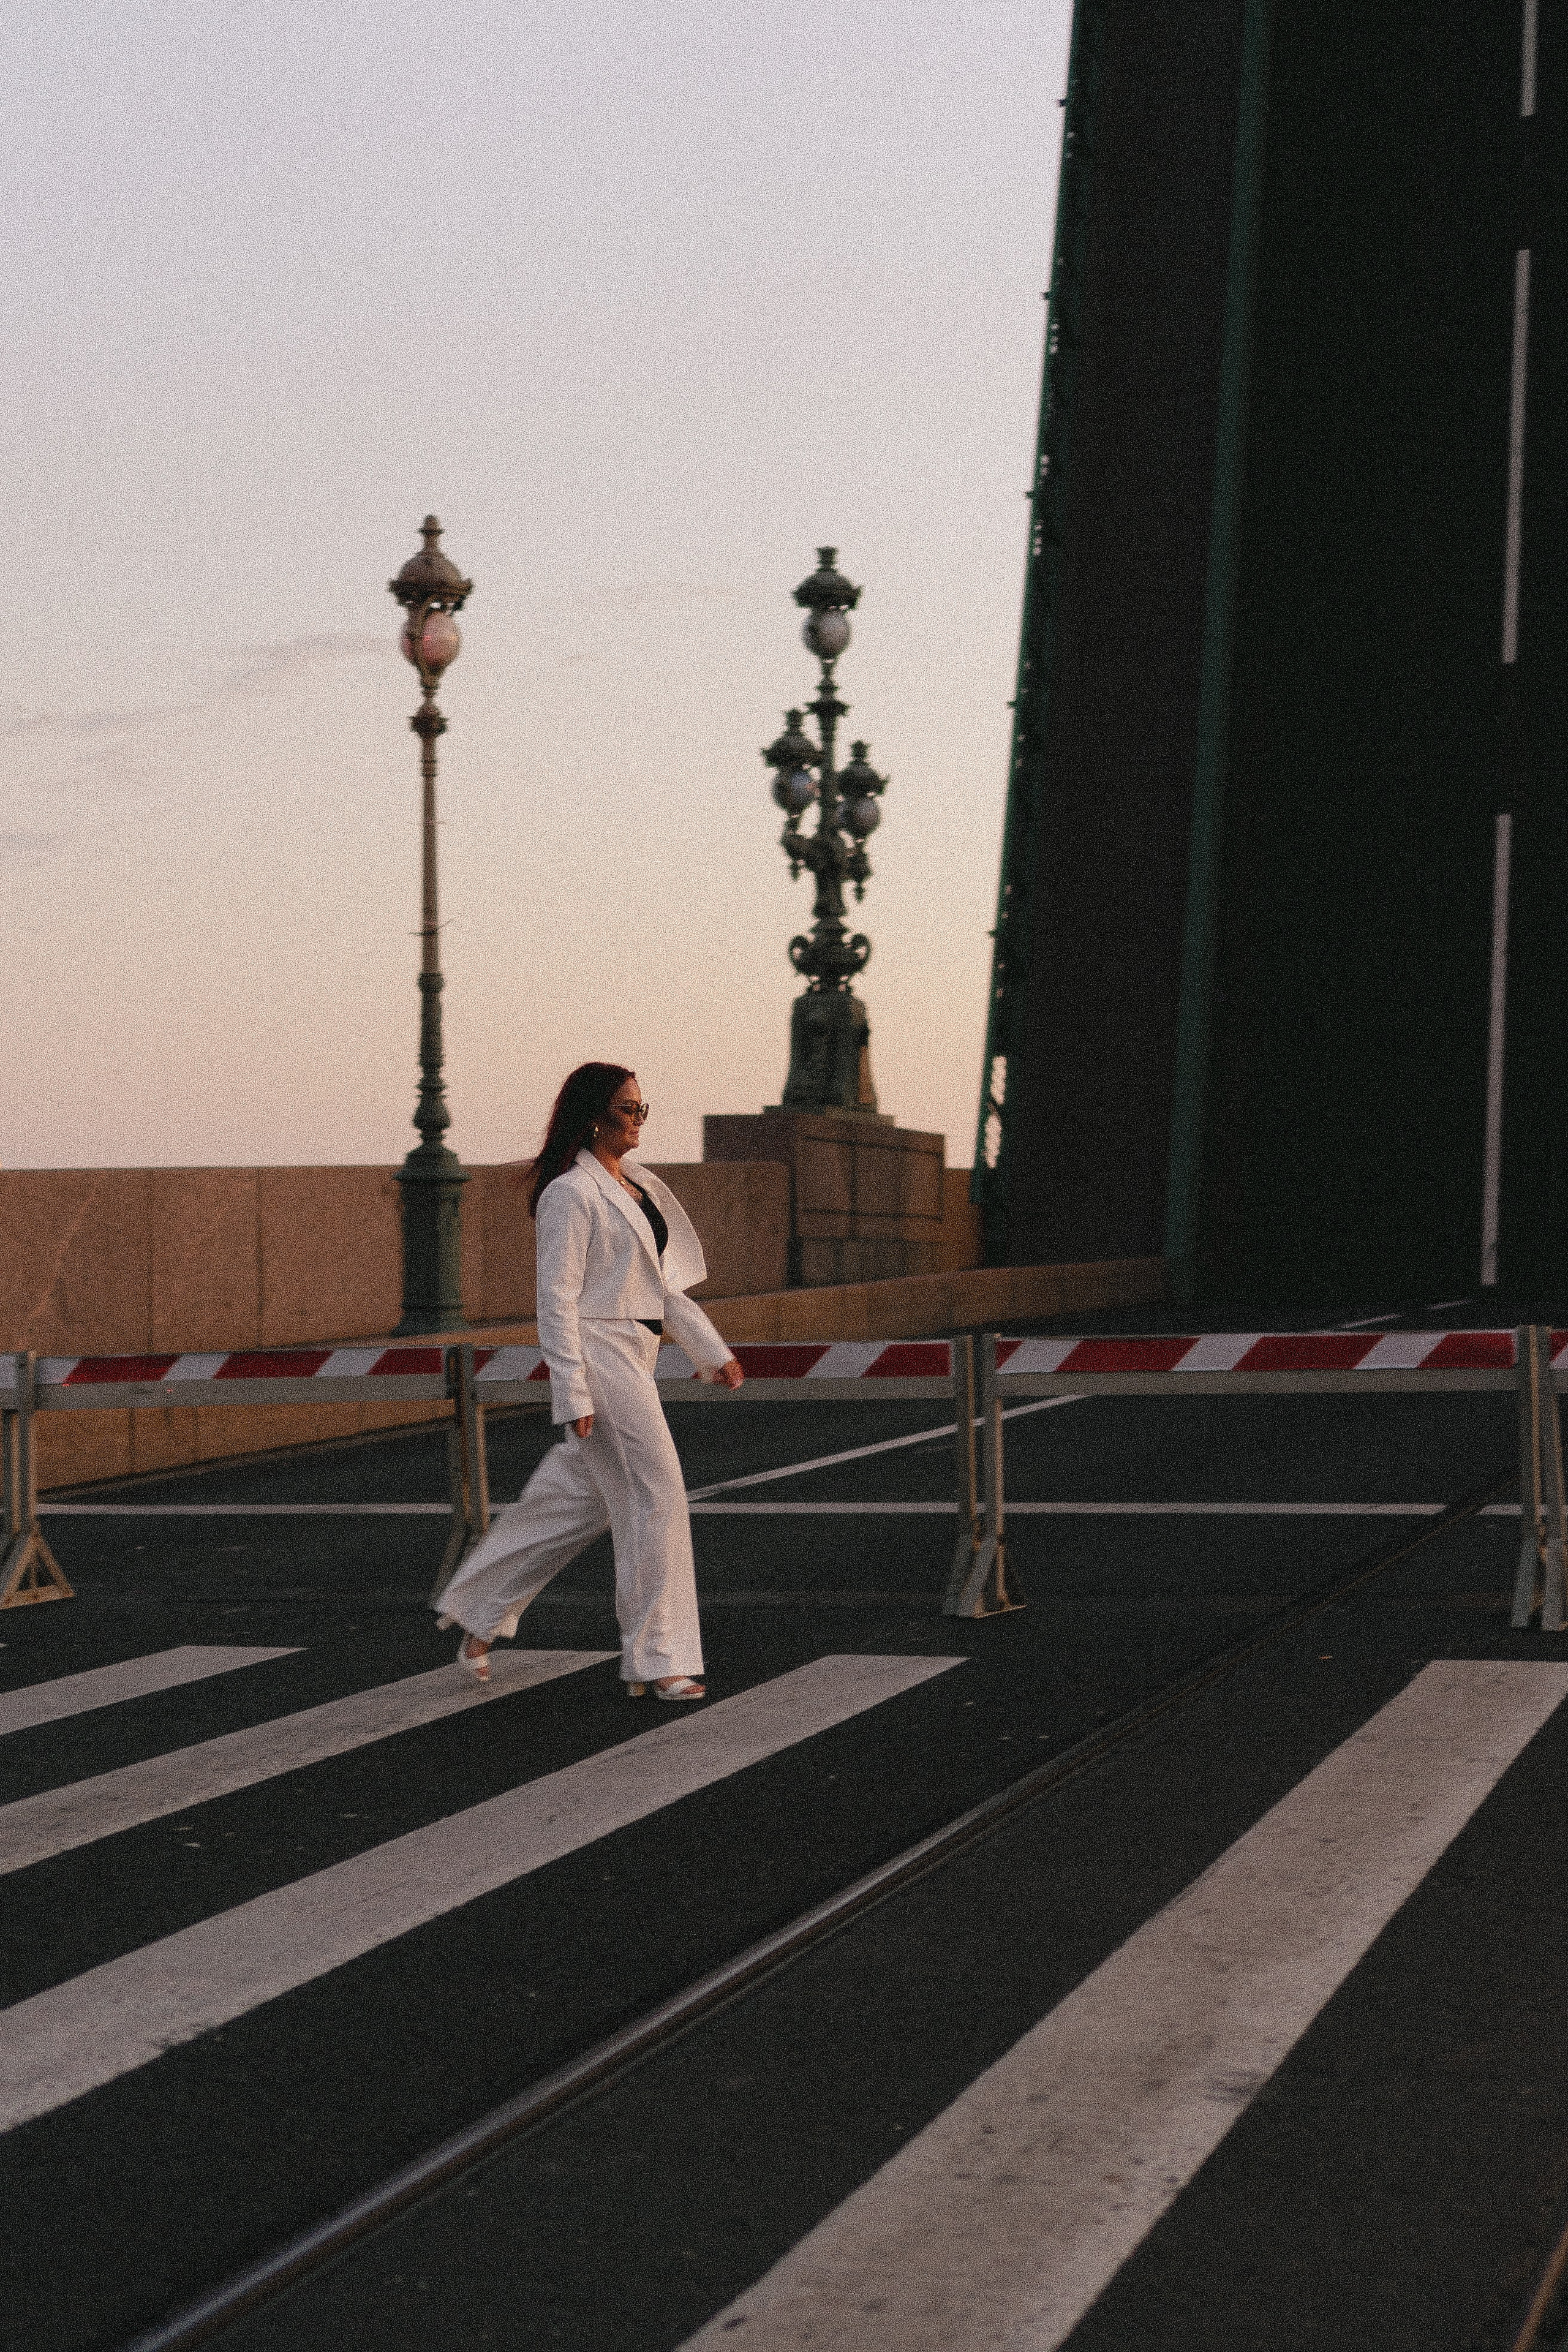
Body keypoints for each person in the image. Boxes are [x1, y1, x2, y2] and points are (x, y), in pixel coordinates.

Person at [436, 1063, 743, 1699]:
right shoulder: (569, 1194)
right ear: (592, 1116)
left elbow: (660, 1286)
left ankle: (477, 1613)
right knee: (657, 1497)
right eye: (626, 1108)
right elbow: (556, 1299)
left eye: (641, 1108)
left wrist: (708, 1349)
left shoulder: (635, 1187)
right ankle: (657, 1659)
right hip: (600, 1355)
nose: (637, 1119)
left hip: (635, 1350)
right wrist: (572, 1390)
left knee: (579, 1498)